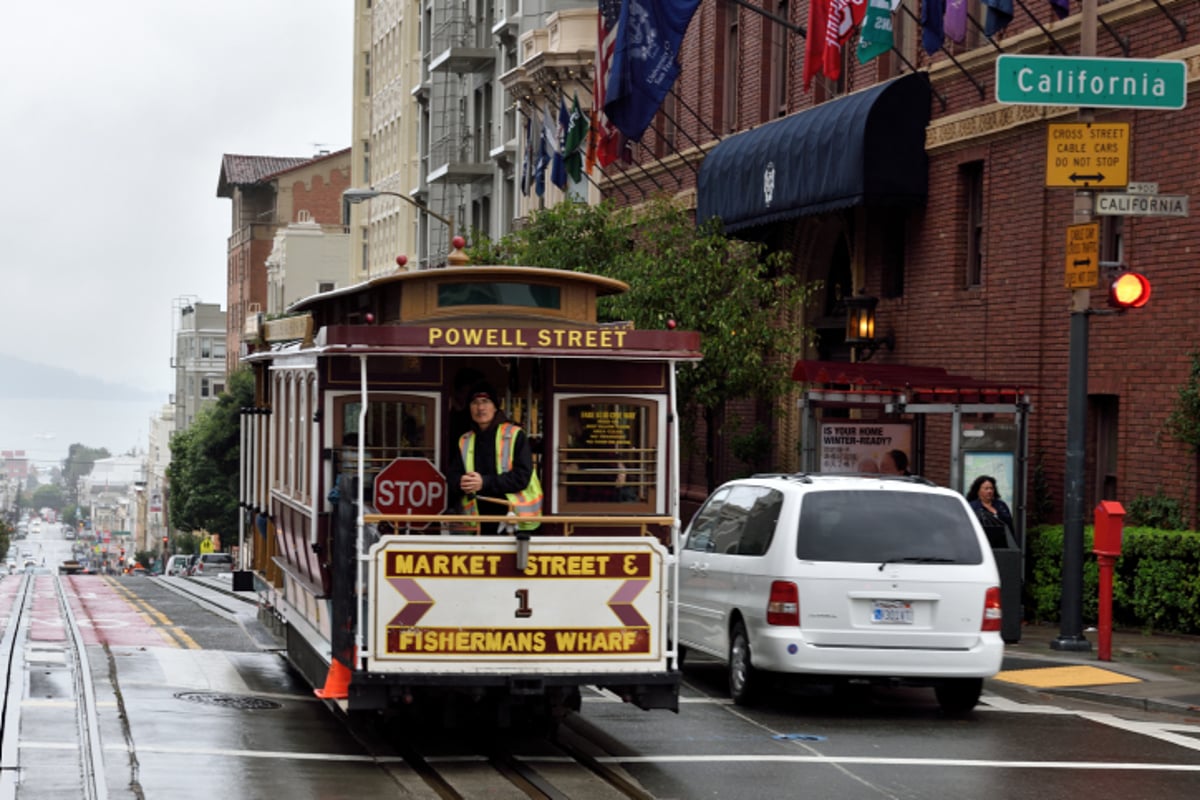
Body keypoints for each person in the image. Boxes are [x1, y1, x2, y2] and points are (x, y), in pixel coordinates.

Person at [446, 382, 543, 535]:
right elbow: (452, 476)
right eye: (475, 403)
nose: (480, 408)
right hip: (478, 523)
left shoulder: (515, 434)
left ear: (495, 407)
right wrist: (461, 483)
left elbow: (522, 477)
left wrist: (484, 482)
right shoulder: (464, 440)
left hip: (515, 522)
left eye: (485, 402)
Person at [966, 474, 1015, 549]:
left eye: (991, 488)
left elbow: (1009, 525)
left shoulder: (1001, 505)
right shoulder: (971, 506)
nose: (989, 491)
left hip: (1001, 545)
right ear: (978, 490)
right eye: (986, 488)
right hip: (980, 546)